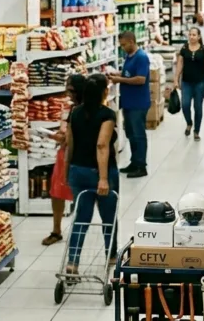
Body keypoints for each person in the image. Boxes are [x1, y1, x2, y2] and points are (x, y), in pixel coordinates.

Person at [65, 73, 119, 271]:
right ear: (105, 92)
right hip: (100, 173)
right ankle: (111, 257)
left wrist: (66, 172)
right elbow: (102, 145)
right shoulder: (107, 115)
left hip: (77, 171)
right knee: (108, 218)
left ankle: (73, 261)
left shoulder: (75, 113)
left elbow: (69, 145)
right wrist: (103, 179)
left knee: (81, 218)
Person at [42, 74, 87, 246]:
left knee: (77, 195)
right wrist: (58, 136)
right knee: (57, 192)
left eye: (70, 89)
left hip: (76, 156)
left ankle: (73, 231)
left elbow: (70, 137)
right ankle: (57, 230)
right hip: (65, 154)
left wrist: (59, 137)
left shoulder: (82, 110)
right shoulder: (70, 109)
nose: (67, 93)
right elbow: (66, 134)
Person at [110, 31, 151, 178]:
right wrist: (117, 74)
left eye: (124, 44)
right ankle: (134, 162)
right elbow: (128, 73)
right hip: (129, 102)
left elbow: (140, 79)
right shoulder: (129, 56)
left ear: (132, 42)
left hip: (138, 103)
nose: (122, 47)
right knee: (131, 134)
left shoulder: (141, 57)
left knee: (138, 135)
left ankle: (141, 166)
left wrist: (120, 80)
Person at [175, 26, 204, 141]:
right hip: (186, 82)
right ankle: (189, 123)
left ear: (199, 37)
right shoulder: (184, 48)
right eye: (190, 34)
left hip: (200, 82)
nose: (191, 37)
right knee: (185, 105)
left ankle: (196, 131)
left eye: (194, 35)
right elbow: (180, 64)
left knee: (198, 107)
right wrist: (176, 79)